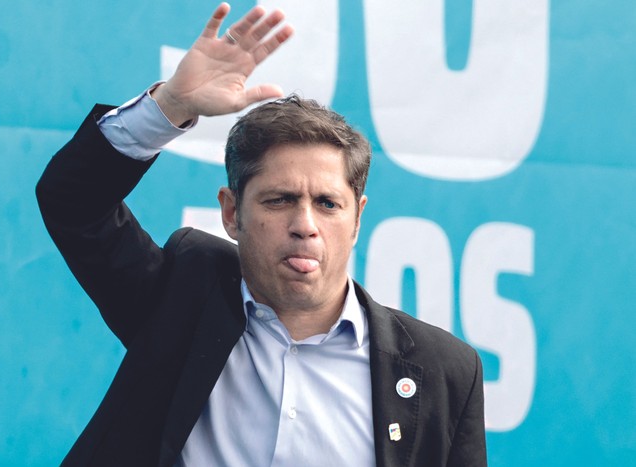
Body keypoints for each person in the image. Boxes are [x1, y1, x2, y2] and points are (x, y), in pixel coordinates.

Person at [36, 3, 487, 466]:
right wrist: (170, 105)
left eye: (328, 204)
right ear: (232, 213)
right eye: (280, 200)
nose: (305, 225)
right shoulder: (181, 296)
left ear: (357, 220)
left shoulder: (445, 371)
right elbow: (74, 201)